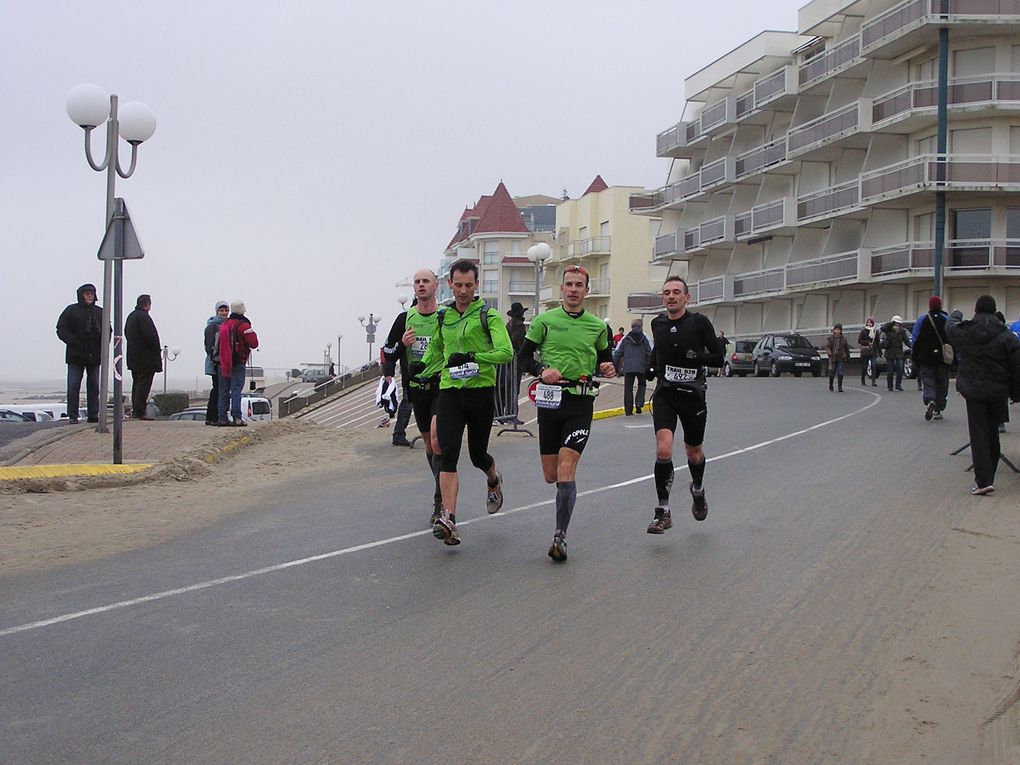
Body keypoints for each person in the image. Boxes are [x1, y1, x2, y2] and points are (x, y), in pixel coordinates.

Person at [518, 264, 616, 562]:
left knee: (566, 467)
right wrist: (541, 370)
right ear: (562, 289)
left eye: (579, 285)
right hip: (550, 402)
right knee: (550, 475)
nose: (573, 289)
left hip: (580, 402)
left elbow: (605, 359)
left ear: (587, 291)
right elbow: (523, 356)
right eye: (569, 284)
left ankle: (560, 536)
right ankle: (562, 512)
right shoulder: (544, 321)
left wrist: (608, 367)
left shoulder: (599, 326)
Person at [419, 259, 513, 545]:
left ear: (476, 285)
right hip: (450, 392)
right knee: (447, 452)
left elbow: (505, 352)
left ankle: (493, 478)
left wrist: (474, 357)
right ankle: (449, 518)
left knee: (476, 456)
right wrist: (420, 370)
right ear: (449, 284)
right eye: (458, 285)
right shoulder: (443, 317)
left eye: (468, 286)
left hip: (480, 392)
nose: (463, 291)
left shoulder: (488, 315)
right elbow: (437, 351)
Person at [645, 276, 725, 533]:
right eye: (666, 292)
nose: (671, 296)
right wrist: (650, 366)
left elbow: (718, 358)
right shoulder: (657, 323)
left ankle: (698, 489)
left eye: (676, 292)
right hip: (666, 394)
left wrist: (695, 357)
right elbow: (657, 350)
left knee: (694, 452)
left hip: (692, 395)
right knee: (663, 450)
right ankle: (663, 511)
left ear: (686, 298)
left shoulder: (698, 322)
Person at [382, 269, 443, 518]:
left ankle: (440, 500)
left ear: (435, 286)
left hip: (442, 385)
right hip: (416, 388)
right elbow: (388, 351)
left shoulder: (445, 316)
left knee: (438, 440)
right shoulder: (404, 318)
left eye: (425, 281)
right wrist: (402, 345)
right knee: (429, 443)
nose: (420, 285)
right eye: (417, 282)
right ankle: (440, 488)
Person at [945, 295, 1020, 495]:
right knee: (992, 432)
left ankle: (983, 481)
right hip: (998, 391)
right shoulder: (1006, 335)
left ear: (976, 310)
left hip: (974, 390)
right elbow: (1017, 365)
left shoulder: (966, 330)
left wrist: (956, 314)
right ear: (995, 312)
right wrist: (1016, 392)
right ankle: (990, 475)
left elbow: (950, 328)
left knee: (978, 434)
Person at [56, 283, 104, 424]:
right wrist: (73, 341)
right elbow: (61, 328)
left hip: (95, 356)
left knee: (94, 386)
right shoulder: (71, 311)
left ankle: (93, 415)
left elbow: (108, 330)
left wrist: (103, 345)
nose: (90, 295)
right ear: (81, 295)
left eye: (92, 293)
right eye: (87, 293)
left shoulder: (100, 312)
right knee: (74, 385)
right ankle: (73, 415)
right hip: (76, 356)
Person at [217, 300, 259, 426]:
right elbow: (254, 343)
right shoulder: (244, 325)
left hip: (223, 362)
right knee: (236, 390)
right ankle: (237, 417)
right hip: (238, 361)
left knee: (223, 391)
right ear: (242, 310)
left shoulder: (225, 324)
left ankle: (222, 418)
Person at [911, 296, 952, 421]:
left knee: (928, 381)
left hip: (925, 357)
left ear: (929, 306)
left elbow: (915, 339)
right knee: (942, 382)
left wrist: (915, 356)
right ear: (940, 305)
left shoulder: (922, 320)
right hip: (942, 358)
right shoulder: (947, 319)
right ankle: (938, 409)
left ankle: (930, 399)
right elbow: (952, 338)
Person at [123, 294, 162, 420]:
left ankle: (137, 410)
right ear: (148, 304)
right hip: (146, 358)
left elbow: (127, 333)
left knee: (137, 383)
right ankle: (140, 411)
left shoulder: (131, 317)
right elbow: (150, 337)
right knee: (143, 385)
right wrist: (157, 349)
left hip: (134, 357)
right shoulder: (144, 317)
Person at [613, 318, 652, 415]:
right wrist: (649, 364)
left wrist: (615, 366)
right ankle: (639, 403)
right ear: (641, 326)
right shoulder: (645, 338)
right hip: (641, 367)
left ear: (631, 326)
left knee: (628, 388)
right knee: (642, 384)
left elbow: (618, 352)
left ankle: (628, 410)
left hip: (628, 367)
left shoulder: (626, 338)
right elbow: (650, 352)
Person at [203, 301, 229, 426]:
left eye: (225, 310)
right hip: (215, 363)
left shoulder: (228, 324)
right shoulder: (212, 326)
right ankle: (211, 417)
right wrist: (215, 359)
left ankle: (216, 416)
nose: (224, 313)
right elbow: (209, 346)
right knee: (217, 390)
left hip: (224, 362)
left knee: (221, 389)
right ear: (217, 311)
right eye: (221, 310)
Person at [505, 301, 528, 424]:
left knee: (509, 389)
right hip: (515, 362)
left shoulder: (509, 324)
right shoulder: (519, 325)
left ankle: (507, 415)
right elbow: (518, 343)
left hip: (508, 362)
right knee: (513, 390)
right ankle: (512, 415)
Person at [880, 315, 910, 391]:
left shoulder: (902, 331)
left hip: (899, 352)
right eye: (896, 323)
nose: (897, 325)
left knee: (900, 369)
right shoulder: (888, 330)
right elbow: (882, 328)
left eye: (898, 323)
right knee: (890, 370)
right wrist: (890, 323)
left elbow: (906, 340)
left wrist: (911, 346)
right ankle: (890, 386)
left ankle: (898, 385)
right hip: (889, 352)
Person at [823, 323, 850, 392]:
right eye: (836, 330)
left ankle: (839, 387)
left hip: (841, 357)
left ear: (841, 331)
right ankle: (831, 384)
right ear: (834, 330)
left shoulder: (844, 339)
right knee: (832, 373)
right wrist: (829, 353)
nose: (837, 331)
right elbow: (827, 347)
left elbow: (846, 348)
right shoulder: (831, 338)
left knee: (840, 372)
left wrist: (848, 357)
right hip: (832, 358)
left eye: (839, 330)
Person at [857, 318, 878, 386]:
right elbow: (859, 340)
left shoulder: (875, 331)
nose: (869, 324)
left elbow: (877, 342)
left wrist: (879, 351)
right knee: (865, 366)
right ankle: (863, 378)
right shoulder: (864, 331)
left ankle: (873, 381)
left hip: (873, 351)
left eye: (870, 322)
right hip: (866, 351)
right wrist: (868, 343)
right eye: (868, 322)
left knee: (873, 366)